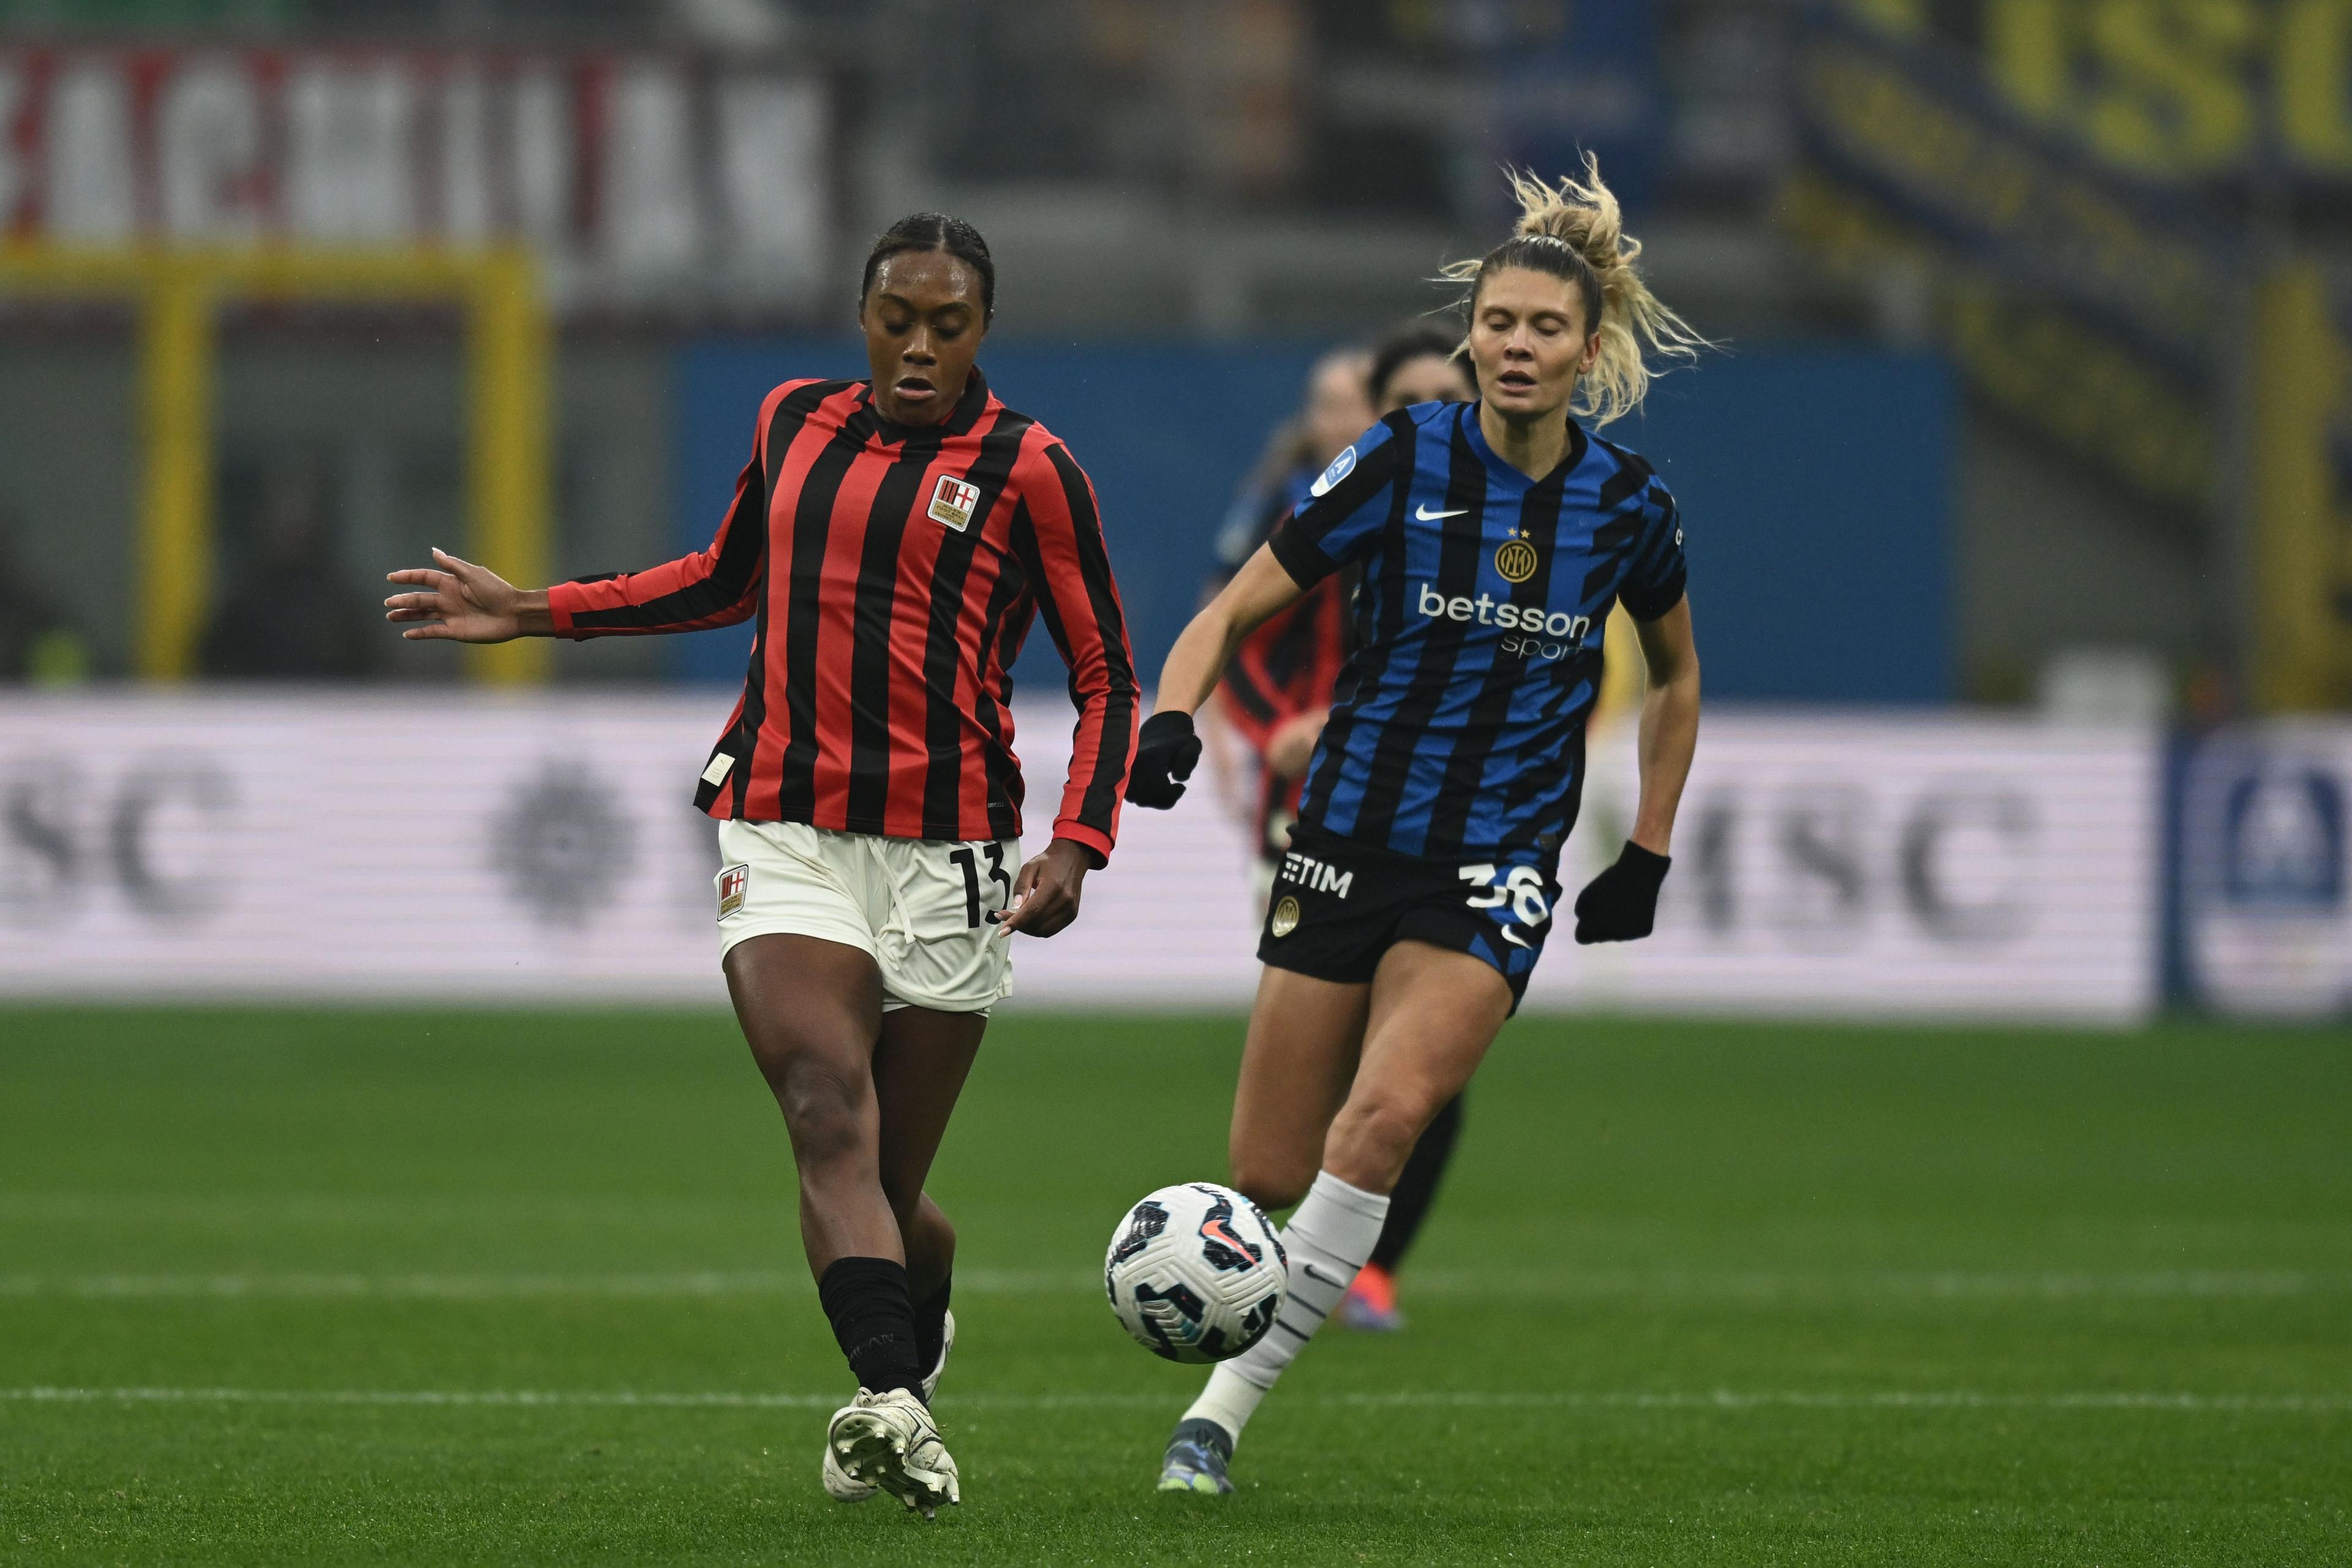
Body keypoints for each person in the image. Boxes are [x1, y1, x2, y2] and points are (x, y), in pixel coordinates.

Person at [384, 213, 1139, 1520]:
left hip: (952, 850)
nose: (918, 346)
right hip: (782, 821)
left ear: (982, 332)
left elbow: (1108, 673)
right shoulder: (795, 419)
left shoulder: (1031, 470)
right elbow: (724, 578)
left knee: (889, 1192)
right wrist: (534, 610)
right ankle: (893, 1402)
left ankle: (906, 1335)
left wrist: (1079, 839)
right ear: (863, 318)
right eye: (896, 319)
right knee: (821, 1105)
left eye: (947, 324)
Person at [1125, 158, 1706, 1495]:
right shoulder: (1399, 458)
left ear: (1588, 350)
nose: (1517, 344)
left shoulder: (1629, 505)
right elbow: (1236, 604)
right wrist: (1173, 715)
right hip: (1345, 837)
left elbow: (1678, 679)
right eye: (1498, 322)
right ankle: (1251, 1299)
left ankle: (1216, 1420)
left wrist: (1649, 848)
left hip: (1496, 861)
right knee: (1267, 1167)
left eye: (1545, 326)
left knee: (1381, 1120)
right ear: (1473, 339)